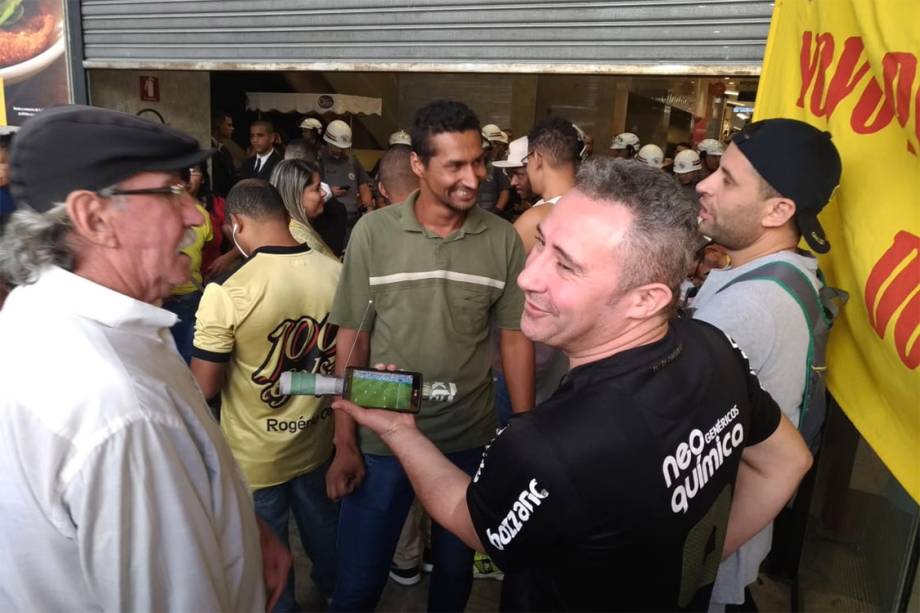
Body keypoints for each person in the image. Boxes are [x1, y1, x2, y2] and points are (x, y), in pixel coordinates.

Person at [333, 157, 813, 612]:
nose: (527, 276)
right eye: (541, 242)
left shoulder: (548, 447)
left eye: (566, 265)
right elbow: (787, 462)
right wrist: (686, 573)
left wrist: (399, 431)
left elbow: (472, 520)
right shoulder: (714, 345)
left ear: (646, 299)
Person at [0, 105, 290, 611]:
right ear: (94, 218)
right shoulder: (120, 408)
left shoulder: (44, 308)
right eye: (168, 192)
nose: (195, 214)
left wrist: (241, 526)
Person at [326, 99, 535, 612]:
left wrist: (526, 438)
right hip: (384, 441)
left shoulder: (503, 240)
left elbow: (515, 338)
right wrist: (345, 440)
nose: (474, 177)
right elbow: (354, 338)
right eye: (455, 165)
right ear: (418, 165)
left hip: (469, 438)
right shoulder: (373, 234)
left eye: (479, 162)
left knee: (454, 577)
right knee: (357, 580)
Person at [692, 118, 842, 612]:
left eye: (728, 180)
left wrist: (686, 560)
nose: (704, 183)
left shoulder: (751, 307)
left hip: (700, 559)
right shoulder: (787, 272)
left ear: (779, 210)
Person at [191, 179, 342, 611]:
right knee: (325, 531)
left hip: (255, 456)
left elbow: (204, 386)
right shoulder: (335, 271)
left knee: (267, 559)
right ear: (286, 217)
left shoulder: (228, 292)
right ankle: (339, 594)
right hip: (318, 440)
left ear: (236, 224)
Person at [162, 166, 214, 363]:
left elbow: (208, 250)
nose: (195, 219)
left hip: (190, 295)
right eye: (169, 193)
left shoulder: (203, 216)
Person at [270, 158, 337, 258]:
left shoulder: (296, 230)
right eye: (317, 188)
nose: (324, 193)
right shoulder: (299, 241)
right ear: (296, 195)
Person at [319, 119, 372, 233]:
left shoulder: (352, 161)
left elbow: (363, 185)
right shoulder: (319, 161)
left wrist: (368, 207)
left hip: (352, 219)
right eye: (337, 146)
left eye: (343, 147)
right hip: (329, 219)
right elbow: (311, 189)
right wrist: (329, 192)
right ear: (328, 142)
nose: (340, 150)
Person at [478, 123, 512, 214]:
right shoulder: (470, 161)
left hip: (489, 213)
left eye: (499, 145)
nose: (497, 149)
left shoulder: (497, 165)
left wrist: (497, 211)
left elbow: (505, 190)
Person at [210, 110, 237, 197]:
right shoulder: (209, 148)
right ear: (218, 125)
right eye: (229, 125)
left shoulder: (225, 150)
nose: (232, 128)